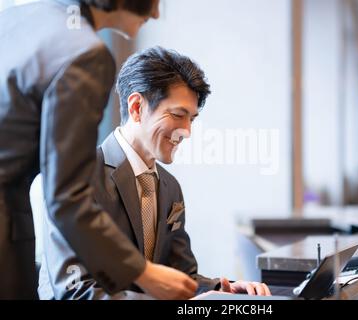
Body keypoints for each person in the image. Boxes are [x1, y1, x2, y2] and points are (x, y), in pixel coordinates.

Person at [38, 47, 272, 299]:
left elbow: (181, 274)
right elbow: (76, 291)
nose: (186, 131)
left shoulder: (170, 187)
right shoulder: (75, 178)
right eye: (178, 115)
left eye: (191, 119)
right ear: (137, 107)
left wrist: (220, 289)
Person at [0, 0, 197, 299]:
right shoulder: (84, 53)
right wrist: (142, 272)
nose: (156, 13)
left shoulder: (18, 17)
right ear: (136, 107)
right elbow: (66, 198)